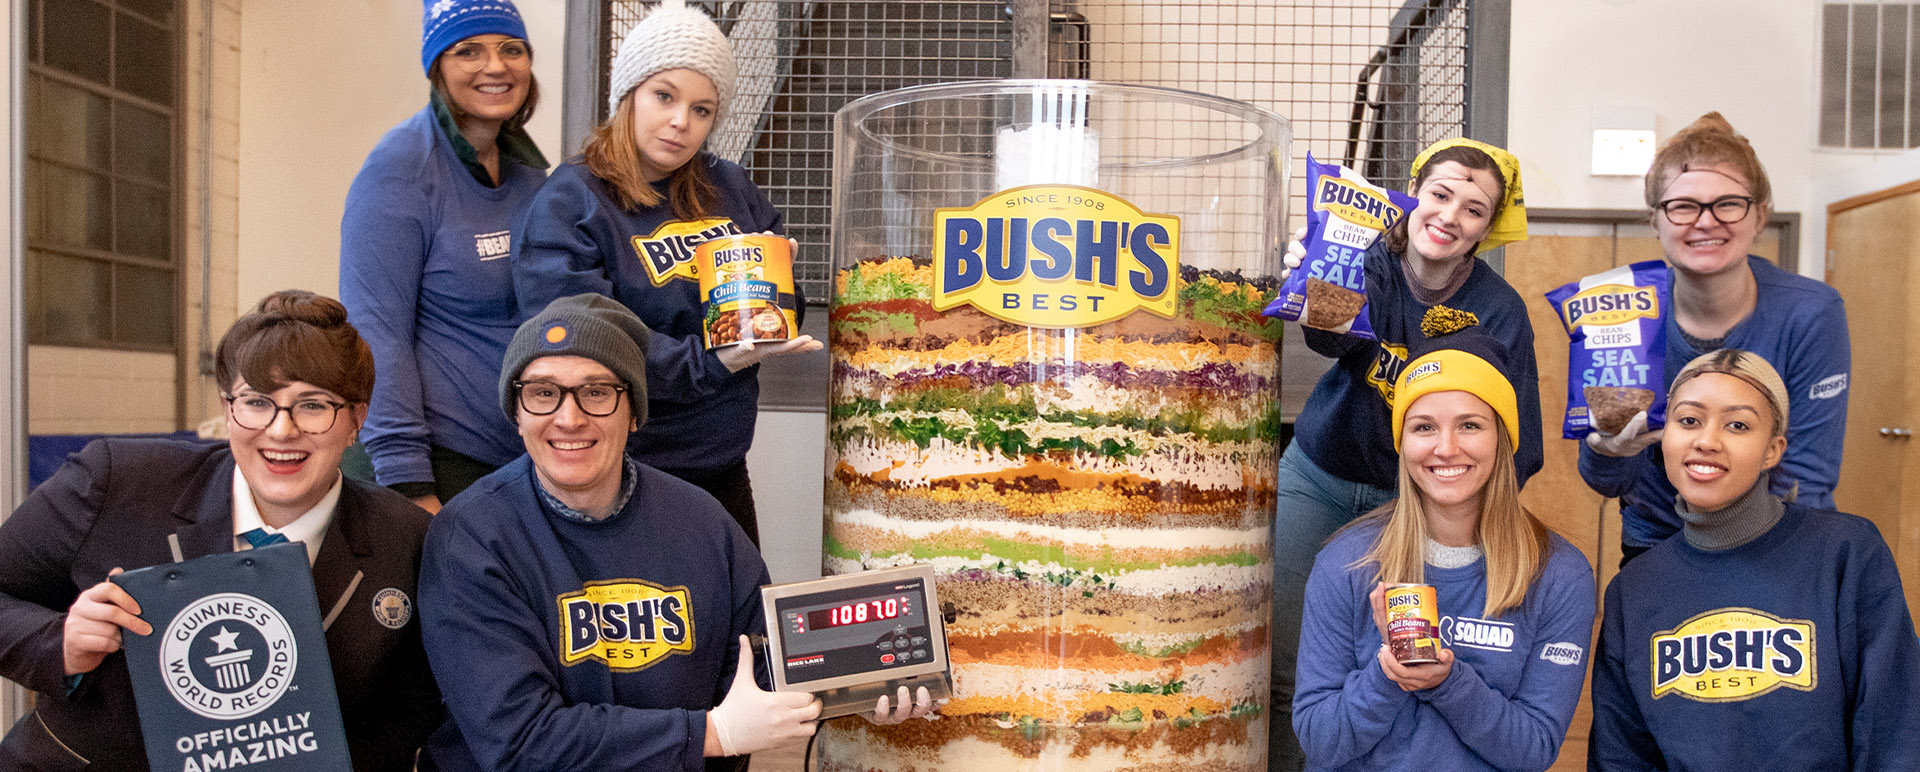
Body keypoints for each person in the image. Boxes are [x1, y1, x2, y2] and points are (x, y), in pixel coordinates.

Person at [418, 294, 935, 772]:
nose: (568, 417)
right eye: (543, 393)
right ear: (517, 413)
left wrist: (863, 691)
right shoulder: (471, 538)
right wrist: (710, 733)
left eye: (597, 392)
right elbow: (520, 741)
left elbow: (763, 667)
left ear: (634, 412)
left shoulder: (703, 522)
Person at [0, 291, 439, 771]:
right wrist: (59, 642)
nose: (280, 431)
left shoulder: (406, 538)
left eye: (312, 405)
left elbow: (408, 707)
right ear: (228, 408)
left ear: (357, 418)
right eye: (256, 402)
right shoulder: (116, 482)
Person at [1271, 138, 1543, 769]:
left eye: (1474, 209)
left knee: (1391, 656)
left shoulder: (1498, 310)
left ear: (1488, 228)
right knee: (1285, 660)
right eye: (1440, 194)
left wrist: (1483, 528)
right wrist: (1313, 280)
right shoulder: (1365, 256)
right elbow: (1328, 340)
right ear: (1413, 193)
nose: (1450, 216)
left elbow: (1514, 433)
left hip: (1414, 500)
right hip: (1320, 475)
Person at [510, 0, 820, 547]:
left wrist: (772, 293)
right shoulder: (572, 201)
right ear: (628, 94)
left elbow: (773, 308)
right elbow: (590, 344)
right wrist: (713, 363)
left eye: (702, 109)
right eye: (664, 96)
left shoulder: (730, 187)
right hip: (615, 474)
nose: (681, 122)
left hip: (720, 465)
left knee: (739, 626)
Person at [1588, 349, 1919, 770]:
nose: (1707, 440)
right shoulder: (1633, 590)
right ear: (1663, 435)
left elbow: (1894, 733)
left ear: (1772, 450)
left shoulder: (1847, 553)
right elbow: (1621, 757)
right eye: (1688, 420)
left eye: (1738, 425)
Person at [1292, 327, 1594, 771]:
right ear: (1402, 443)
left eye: (1470, 425)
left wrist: (1447, 681)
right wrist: (1389, 675)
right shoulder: (1347, 562)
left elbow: (1533, 749)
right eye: (1424, 427)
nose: (1446, 448)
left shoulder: (1559, 575)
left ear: (1503, 439)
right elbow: (1320, 739)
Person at [1579, 112, 1850, 564]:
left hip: (1781, 547)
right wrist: (1606, 451)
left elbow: (1808, 477)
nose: (1706, 222)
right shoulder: (1618, 317)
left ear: (1760, 215)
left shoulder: (1810, 313)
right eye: (1684, 206)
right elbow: (1607, 482)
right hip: (1658, 547)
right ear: (1655, 220)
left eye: (1727, 204)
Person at [340, 0, 550, 513]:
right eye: (468, 51)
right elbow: (376, 335)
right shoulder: (400, 168)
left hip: (517, 463)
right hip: (430, 468)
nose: (496, 66)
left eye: (511, 49)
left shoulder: (530, 177)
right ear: (438, 67)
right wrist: (410, 486)